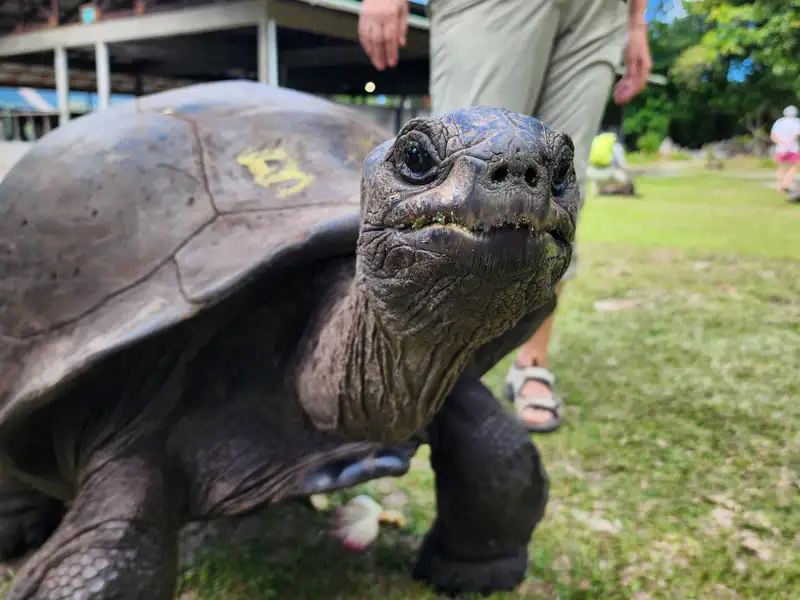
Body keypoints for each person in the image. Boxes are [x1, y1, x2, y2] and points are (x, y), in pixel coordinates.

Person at [358, 0, 651, 433]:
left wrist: (635, 21)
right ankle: (430, 372)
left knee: (557, 190)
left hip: (599, 10)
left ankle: (532, 360)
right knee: (461, 164)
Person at [587, 129, 635, 196]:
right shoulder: (617, 147)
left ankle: (597, 190)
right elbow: (623, 165)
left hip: (592, 174)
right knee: (628, 179)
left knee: (596, 178)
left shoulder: (595, 144)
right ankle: (609, 189)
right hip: (609, 175)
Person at [770, 105, 800, 193]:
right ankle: (786, 183)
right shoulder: (796, 122)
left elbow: (773, 136)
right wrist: (788, 143)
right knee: (795, 166)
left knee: (781, 167)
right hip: (792, 148)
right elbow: (796, 134)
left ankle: (780, 187)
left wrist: (781, 142)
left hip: (780, 148)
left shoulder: (779, 122)